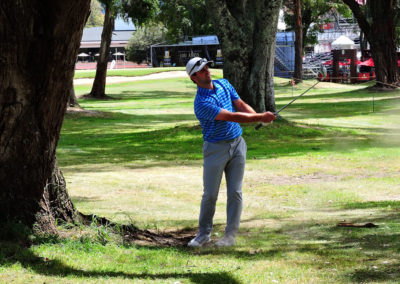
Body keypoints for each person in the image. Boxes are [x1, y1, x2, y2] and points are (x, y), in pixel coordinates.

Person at [186, 57, 276, 247]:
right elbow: (232, 116)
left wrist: (258, 118)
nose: (207, 71)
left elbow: (240, 105)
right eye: (201, 70)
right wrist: (261, 117)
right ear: (194, 77)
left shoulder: (224, 84)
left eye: (207, 67)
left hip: (237, 144)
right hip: (215, 149)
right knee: (210, 194)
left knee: (235, 192)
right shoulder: (201, 102)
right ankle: (203, 234)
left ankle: (230, 237)